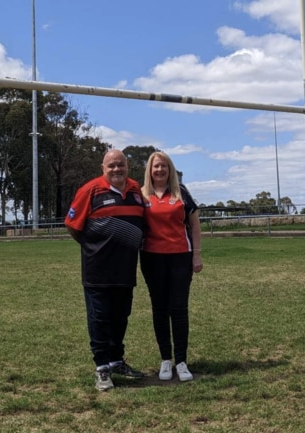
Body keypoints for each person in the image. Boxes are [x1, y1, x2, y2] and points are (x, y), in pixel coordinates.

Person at [64, 148, 146, 391]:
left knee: (121, 317)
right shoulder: (90, 191)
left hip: (125, 269)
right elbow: (72, 225)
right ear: (103, 168)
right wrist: (94, 247)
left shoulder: (136, 191)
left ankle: (116, 361)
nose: (116, 169)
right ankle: (101, 368)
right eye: (111, 165)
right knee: (100, 319)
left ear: (127, 166)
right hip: (97, 270)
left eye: (120, 164)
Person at [140, 151, 203, 382]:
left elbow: (195, 226)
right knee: (159, 309)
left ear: (170, 169)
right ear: (150, 170)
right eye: (156, 167)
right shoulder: (142, 195)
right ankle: (166, 359)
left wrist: (196, 255)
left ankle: (182, 361)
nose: (160, 170)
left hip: (180, 258)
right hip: (151, 258)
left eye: (164, 166)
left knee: (179, 309)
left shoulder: (181, 193)